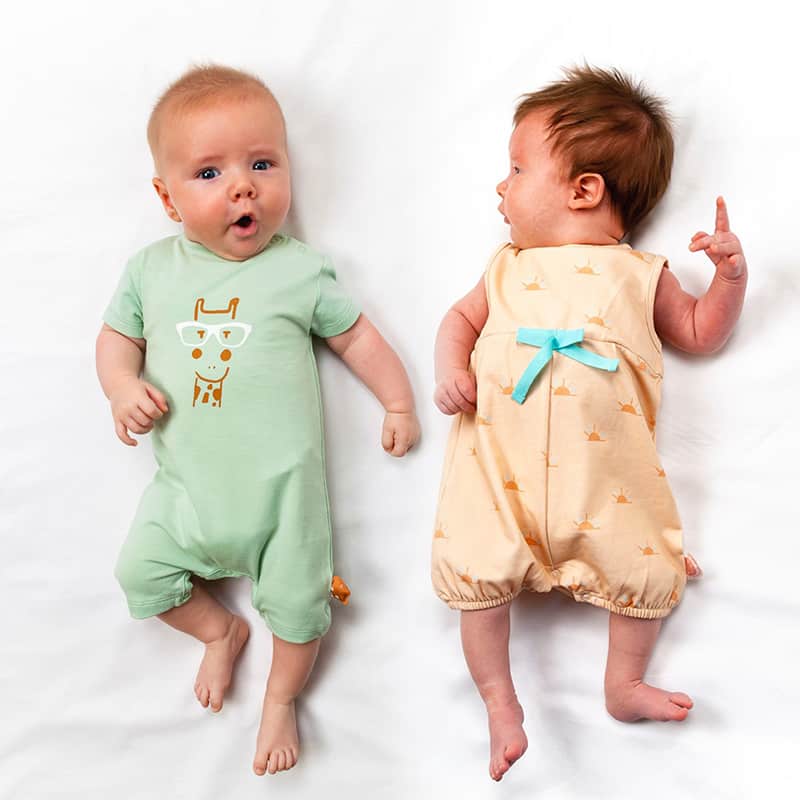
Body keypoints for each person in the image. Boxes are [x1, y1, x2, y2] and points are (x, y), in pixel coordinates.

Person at [96, 64, 420, 777]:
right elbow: (116, 339)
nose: (243, 187)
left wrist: (397, 402)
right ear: (167, 197)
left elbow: (358, 340)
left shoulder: (298, 270)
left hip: (284, 505)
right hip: (185, 499)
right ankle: (219, 632)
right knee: (139, 576)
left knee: (301, 612)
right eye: (209, 173)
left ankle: (280, 699)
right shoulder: (151, 271)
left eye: (263, 164)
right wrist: (121, 387)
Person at [431, 65, 746, 781]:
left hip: (607, 485)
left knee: (644, 564)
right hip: (498, 482)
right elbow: (458, 320)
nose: (501, 187)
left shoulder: (640, 273)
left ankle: (623, 684)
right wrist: (452, 371)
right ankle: (500, 702)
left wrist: (728, 281)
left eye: (517, 169)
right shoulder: (505, 267)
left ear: (584, 191)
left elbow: (701, 332)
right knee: (477, 579)